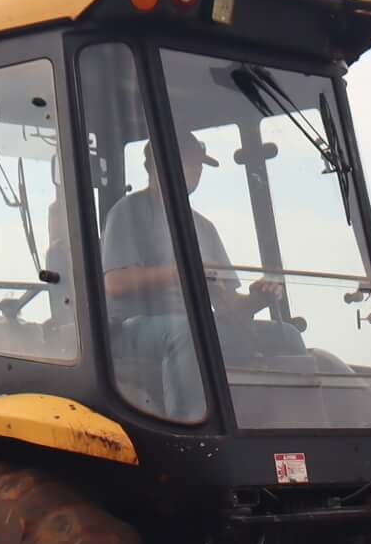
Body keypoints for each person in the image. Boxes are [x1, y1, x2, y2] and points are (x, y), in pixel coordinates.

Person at [99, 133, 281, 417]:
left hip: (195, 325)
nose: (196, 171)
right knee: (188, 332)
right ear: (156, 165)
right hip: (130, 328)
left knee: (285, 336)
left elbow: (226, 304)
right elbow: (115, 283)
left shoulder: (204, 227)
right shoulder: (127, 212)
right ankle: (190, 430)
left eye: (199, 165)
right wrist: (181, 272)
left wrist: (257, 300)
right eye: (189, 163)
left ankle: (284, 431)